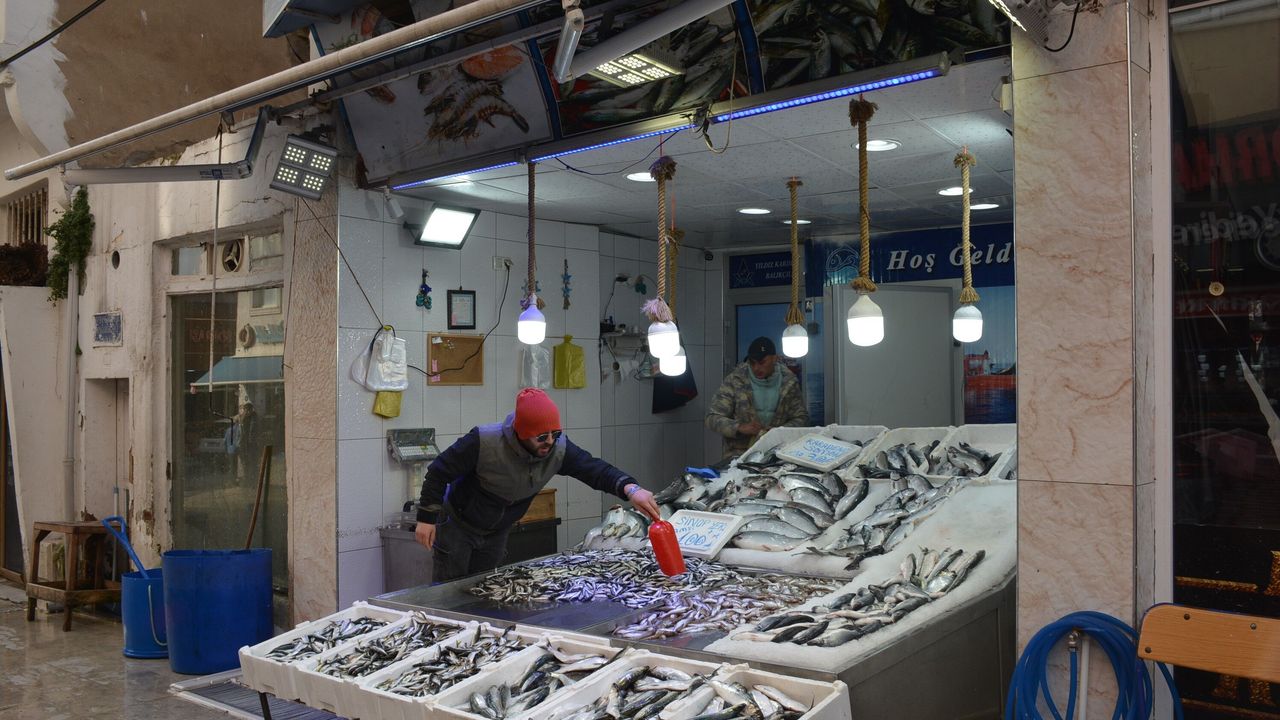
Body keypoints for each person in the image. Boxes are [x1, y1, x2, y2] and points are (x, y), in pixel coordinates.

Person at [415, 388, 659, 583]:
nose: (549, 442)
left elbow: (594, 470)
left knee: (483, 587)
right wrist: (427, 518)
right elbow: (438, 472)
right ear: (522, 433)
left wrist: (631, 489)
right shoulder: (484, 442)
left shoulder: (558, 449)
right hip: (459, 525)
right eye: (541, 437)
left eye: (555, 433)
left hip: (497, 531)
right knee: (449, 590)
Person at [705, 336, 809, 461]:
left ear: (775, 359)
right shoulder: (735, 380)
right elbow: (712, 418)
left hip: (778, 455)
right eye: (752, 363)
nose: (756, 368)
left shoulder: (789, 382)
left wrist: (779, 431)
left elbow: (802, 418)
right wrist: (739, 427)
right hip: (738, 457)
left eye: (762, 362)